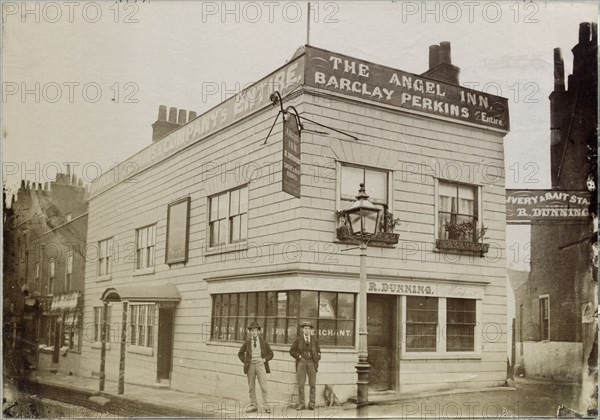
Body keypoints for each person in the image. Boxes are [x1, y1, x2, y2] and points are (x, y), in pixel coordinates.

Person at [238, 321, 274, 413]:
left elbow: (271, 354)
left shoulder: (263, 342)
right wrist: (246, 361)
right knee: (251, 387)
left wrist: (264, 360)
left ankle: (266, 405)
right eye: (252, 330)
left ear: (258, 331)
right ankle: (253, 405)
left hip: (260, 365)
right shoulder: (247, 342)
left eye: (256, 330)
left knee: (264, 386)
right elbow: (240, 354)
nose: (254, 332)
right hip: (250, 366)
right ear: (250, 332)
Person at [289, 321, 321, 410]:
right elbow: (291, 351)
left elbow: (319, 351)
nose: (307, 330)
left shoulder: (314, 340)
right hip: (301, 362)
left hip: (312, 362)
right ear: (302, 330)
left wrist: (317, 357)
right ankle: (301, 403)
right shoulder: (298, 340)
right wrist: (299, 356)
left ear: (311, 330)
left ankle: (312, 403)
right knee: (301, 384)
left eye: (308, 329)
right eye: (305, 328)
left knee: (312, 384)